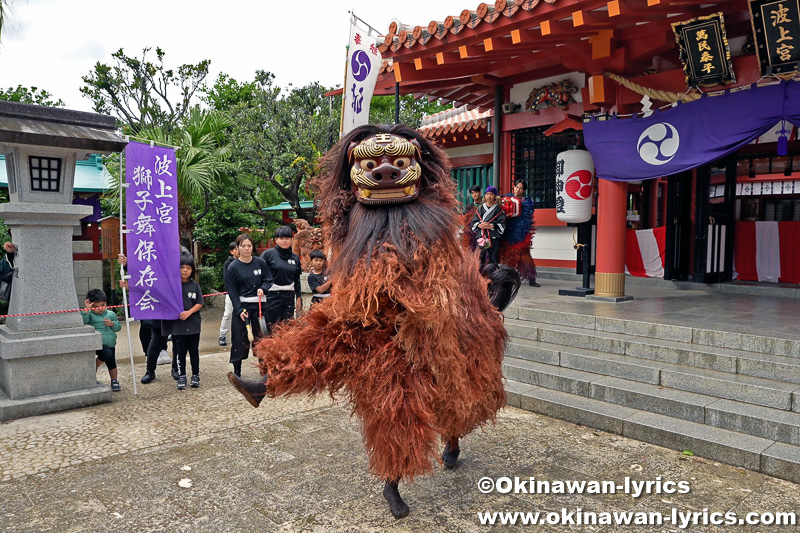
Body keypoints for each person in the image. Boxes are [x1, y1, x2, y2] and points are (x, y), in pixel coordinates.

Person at [223, 234, 272, 377]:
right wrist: (238, 310)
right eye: (243, 246)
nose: (246, 248)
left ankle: (264, 369)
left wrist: (263, 288)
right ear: (237, 248)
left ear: (252, 247)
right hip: (242, 308)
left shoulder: (260, 263)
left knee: (262, 338)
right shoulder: (233, 267)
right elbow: (231, 290)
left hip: (260, 307)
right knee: (239, 339)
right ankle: (237, 370)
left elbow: (268, 279)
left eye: (249, 246)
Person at [161, 254, 204, 390]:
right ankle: (182, 376)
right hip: (178, 325)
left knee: (194, 351)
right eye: (182, 267)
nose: (185, 270)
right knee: (180, 352)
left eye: (188, 268)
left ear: (192, 270)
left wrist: (189, 312)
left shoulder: (194, 285)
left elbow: (200, 303)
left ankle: (195, 375)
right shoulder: (172, 285)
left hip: (193, 324)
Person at [260, 226, 302, 327]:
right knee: (273, 326)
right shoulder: (268, 254)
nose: (284, 241)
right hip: (272, 295)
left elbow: (297, 279)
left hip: (289, 295)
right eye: (281, 238)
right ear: (276, 240)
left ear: (292, 240)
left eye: (287, 238)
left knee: (288, 326)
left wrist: (299, 297)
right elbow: (260, 275)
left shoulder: (295, 258)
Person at [500, 179, 540, 286]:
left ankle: (531, 278)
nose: (518, 190)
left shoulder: (527, 202)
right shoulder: (505, 198)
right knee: (506, 255)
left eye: (521, 188)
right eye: (516, 187)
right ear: (514, 187)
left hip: (521, 232)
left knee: (525, 256)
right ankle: (506, 277)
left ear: (524, 190)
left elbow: (529, 213)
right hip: (507, 231)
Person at [81, 289, 122, 392]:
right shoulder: (90, 314)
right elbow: (84, 321)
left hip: (111, 342)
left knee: (112, 363)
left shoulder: (111, 314)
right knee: (106, 354)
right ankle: (94, 366)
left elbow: (118, 327)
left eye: (103, 305)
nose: (100, 309)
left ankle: (114, 380)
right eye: (96, 307)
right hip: (98, 343)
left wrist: (112, 324)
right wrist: (86, 310)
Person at [470, 186, 506, 266]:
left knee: (494, 258)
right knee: (480, 259)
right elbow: (474, 222)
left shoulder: (498, 210)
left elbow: (502, 224)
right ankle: (480, 276)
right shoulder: (480, 208)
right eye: (487, 194)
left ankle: (493, 276)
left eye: (492, 194)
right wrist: (479, 225)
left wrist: (491, 226)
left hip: (493, 237)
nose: (489, 196)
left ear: (495, 196)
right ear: (485, 195)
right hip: (482, 236)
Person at [218, 242, 239, 346]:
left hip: (244, 293)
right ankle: (222, 335)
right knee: (228, 314)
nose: (238, 251)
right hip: (231, 293)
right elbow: (227, 279)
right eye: (236, 249)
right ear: (231, 252)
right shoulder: (228, 263)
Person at [461, 185, 483, 251]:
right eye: (472, 193)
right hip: (472, 232)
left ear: (480, 193)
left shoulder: (484, 205)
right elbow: (466, 221)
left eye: (476, 192)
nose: (474, 194)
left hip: (482, 231)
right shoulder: (469, 207)